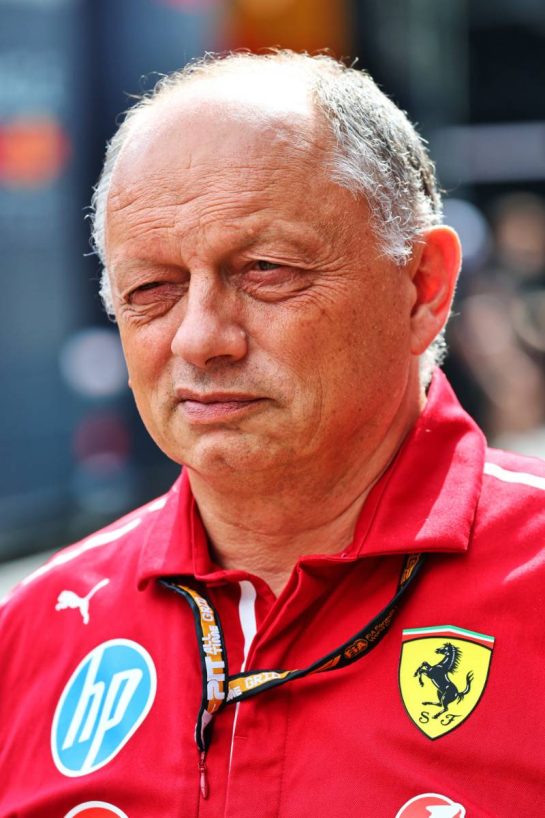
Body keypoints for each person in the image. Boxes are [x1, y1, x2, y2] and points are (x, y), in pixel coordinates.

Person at [1, 51, 544, 818]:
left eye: (264, 269)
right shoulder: (35, 633)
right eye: (150, 289)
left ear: (422, 286)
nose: (199, 338)